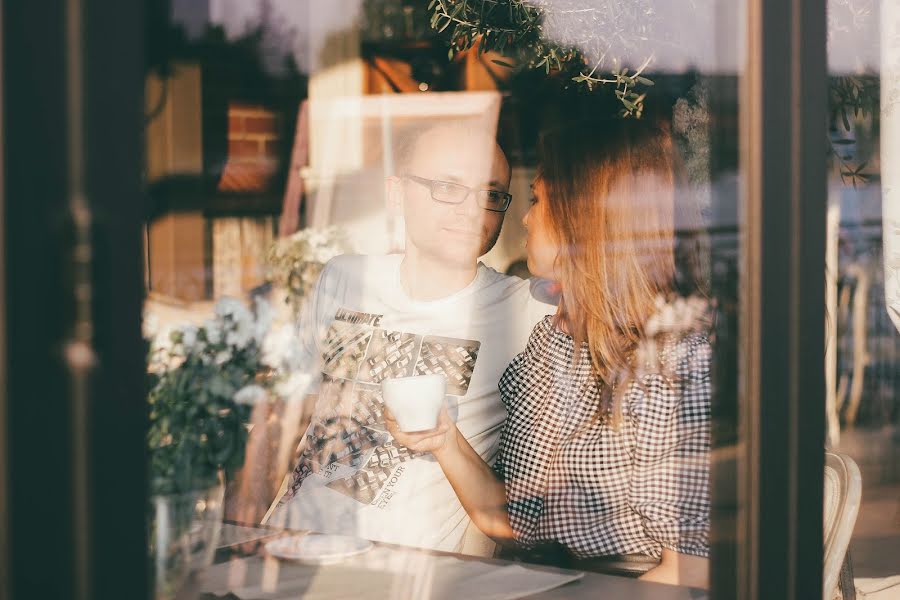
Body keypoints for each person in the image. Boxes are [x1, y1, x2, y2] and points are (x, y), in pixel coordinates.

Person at [386, 119, 712, 587]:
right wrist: (443, 439)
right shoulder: (552, 342)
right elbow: (514, 523)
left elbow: (688, 576)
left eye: (537, 199)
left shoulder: (677, 363)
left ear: (586, 214)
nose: (524, 216)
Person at [264, 121, 556, 554]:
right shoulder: (345, 277)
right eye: (448, 187)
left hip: (404, 569)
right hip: (284, 545)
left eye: (491, 194)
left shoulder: (527, 310)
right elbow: (288, 415)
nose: (471, 210)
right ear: (397, 194)